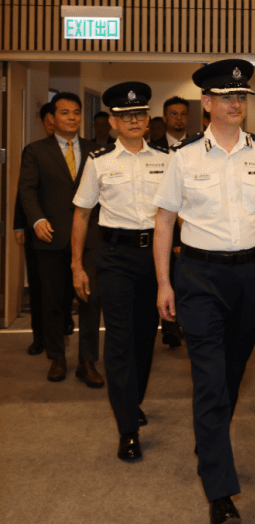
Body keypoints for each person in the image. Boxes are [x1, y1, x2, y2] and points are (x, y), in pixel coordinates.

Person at [153, 59, 255, 524]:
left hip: (249, 275)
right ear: (206, 103)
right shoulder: (184, 158)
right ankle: (220, 493)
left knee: (231, 376)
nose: (236, 103)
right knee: (210, 380)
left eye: (242, 97)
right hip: (199, 278)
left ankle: (208, 438)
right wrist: (164, 283)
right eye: (226, 97)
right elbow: (164, 221)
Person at [71, 82, 169, 461]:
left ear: (148, 120)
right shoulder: (99, 160)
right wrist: (77, 264)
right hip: (114, 259)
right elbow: (81, 214)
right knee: (119, 340)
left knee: (147, 337)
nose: (134, 121)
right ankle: (127, 428)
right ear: (113, 121)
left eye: (141, 114)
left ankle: (132, 400)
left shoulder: (165, 158)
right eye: (126, 116)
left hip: (154, 258)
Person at [17, 92, 104, 385]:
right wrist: (37, 220)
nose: (72, 117)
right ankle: (56, 357)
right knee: (53, 303)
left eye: (77, 112)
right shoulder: (35, 151)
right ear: (53, 118)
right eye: (65, 112)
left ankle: (88, 362)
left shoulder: (97, 151)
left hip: (90, 239)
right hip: (50, 237)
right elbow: (27, 190)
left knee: (90, 303)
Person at [14, 102, 61, 355]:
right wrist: (19, 225)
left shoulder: (77, 152)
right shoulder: (33, 151)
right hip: (36, 231)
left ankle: (59, 328)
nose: (54, 125)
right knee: (38, 285)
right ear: (44, 124)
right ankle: (39, 337)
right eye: (50, 121)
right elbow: (23, 192)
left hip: (64, 230)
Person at [151, 96, 192, 348]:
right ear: (165, 118)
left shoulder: (197, 147)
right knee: (166, 279)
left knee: (185, 281)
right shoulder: (153, 149)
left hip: (190, 230)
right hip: (164, 229)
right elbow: (164, 204)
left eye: (183, 114)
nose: (179, 118)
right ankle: (169, 326)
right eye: (173, 114)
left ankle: (183, 324)